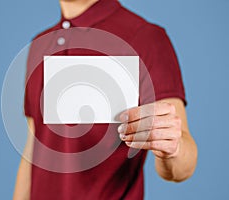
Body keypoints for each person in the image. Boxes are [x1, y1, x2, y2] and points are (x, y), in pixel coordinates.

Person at [14, 0, 198, 199]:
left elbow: (182, 161)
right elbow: (33, 151)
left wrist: (172, 148)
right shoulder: (39, 45)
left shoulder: (146, 37)